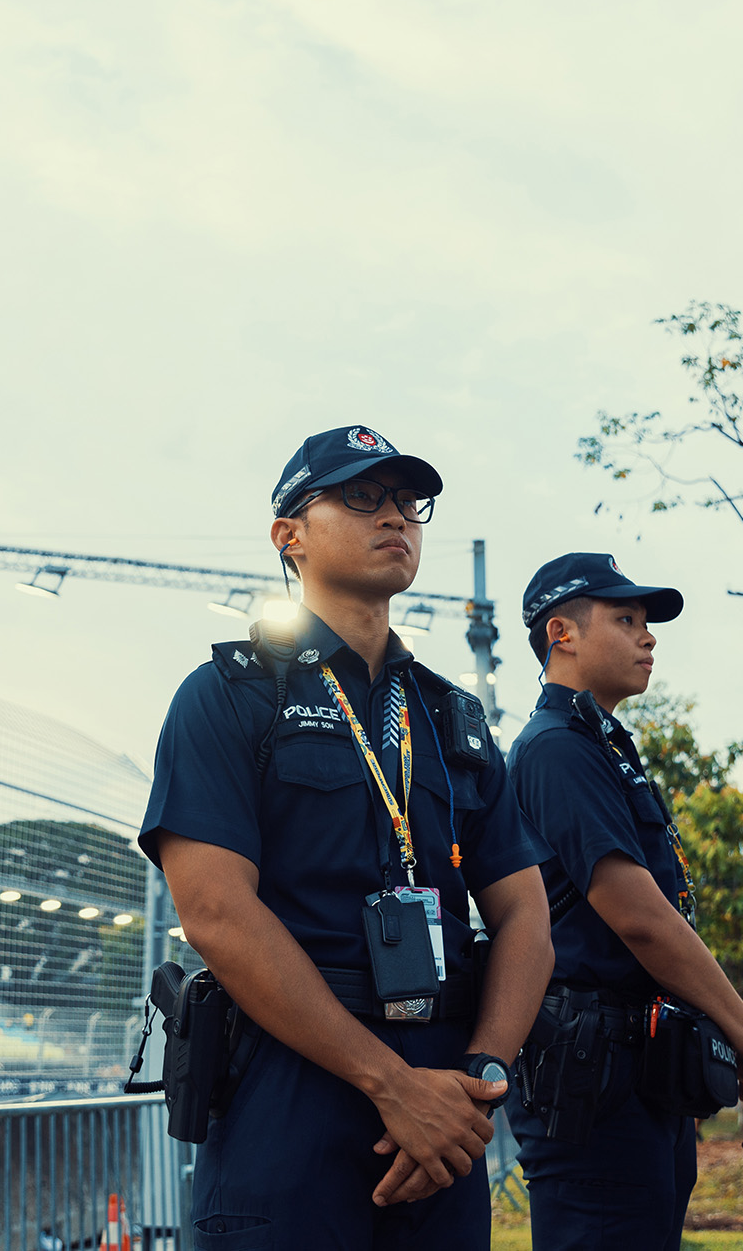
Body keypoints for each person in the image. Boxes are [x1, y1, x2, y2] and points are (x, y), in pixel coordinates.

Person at [139, 426, 555, 1248]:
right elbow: (216, 913)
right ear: (288, 535)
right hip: (289, 1090)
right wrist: (390, 1085)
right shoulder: (228, 698)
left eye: (409, 501)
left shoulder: (451, 720)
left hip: (446, 1108)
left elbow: (527, 919)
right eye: (362, 497)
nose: (395, 516)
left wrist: (481, 1076)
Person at [503, 552, 743, 1250]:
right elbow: (640, 917)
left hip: (635, 1072)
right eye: (626, 618)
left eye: (647, 621)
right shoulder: (556, 749)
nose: (649, 635)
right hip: (590, 1078)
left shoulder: (599, 746)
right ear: (561, 633)